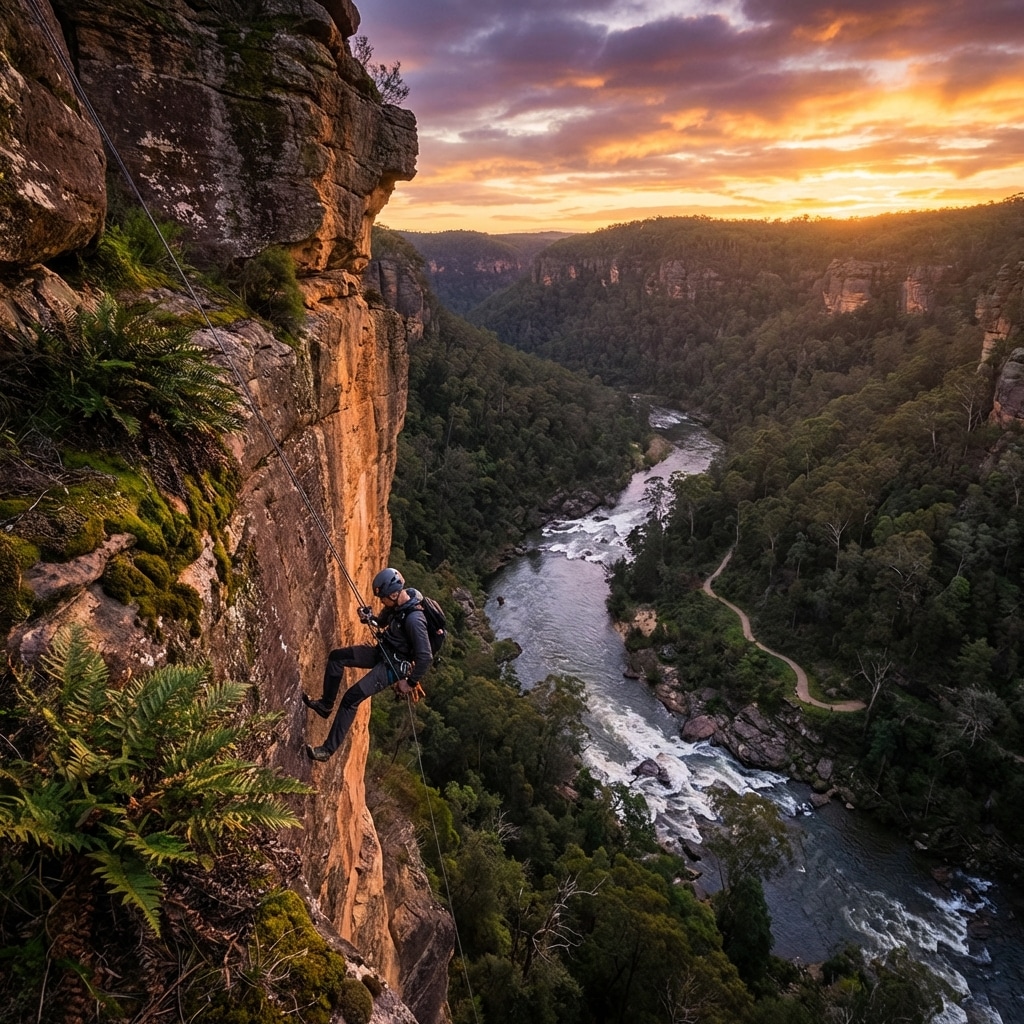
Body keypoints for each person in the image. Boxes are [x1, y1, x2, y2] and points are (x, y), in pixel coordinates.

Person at [303, 567, 433, 762]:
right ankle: (325, 705)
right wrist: (369, 619)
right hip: (383, 652)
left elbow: (426, 657)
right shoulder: (398, 605)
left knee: (351, 698)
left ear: (395, 593)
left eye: (384, 599)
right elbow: (380, 623)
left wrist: (410, 683)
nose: (382, 602)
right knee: (337, 657)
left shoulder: (415, 620)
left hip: (393, 667)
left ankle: (326, 751)